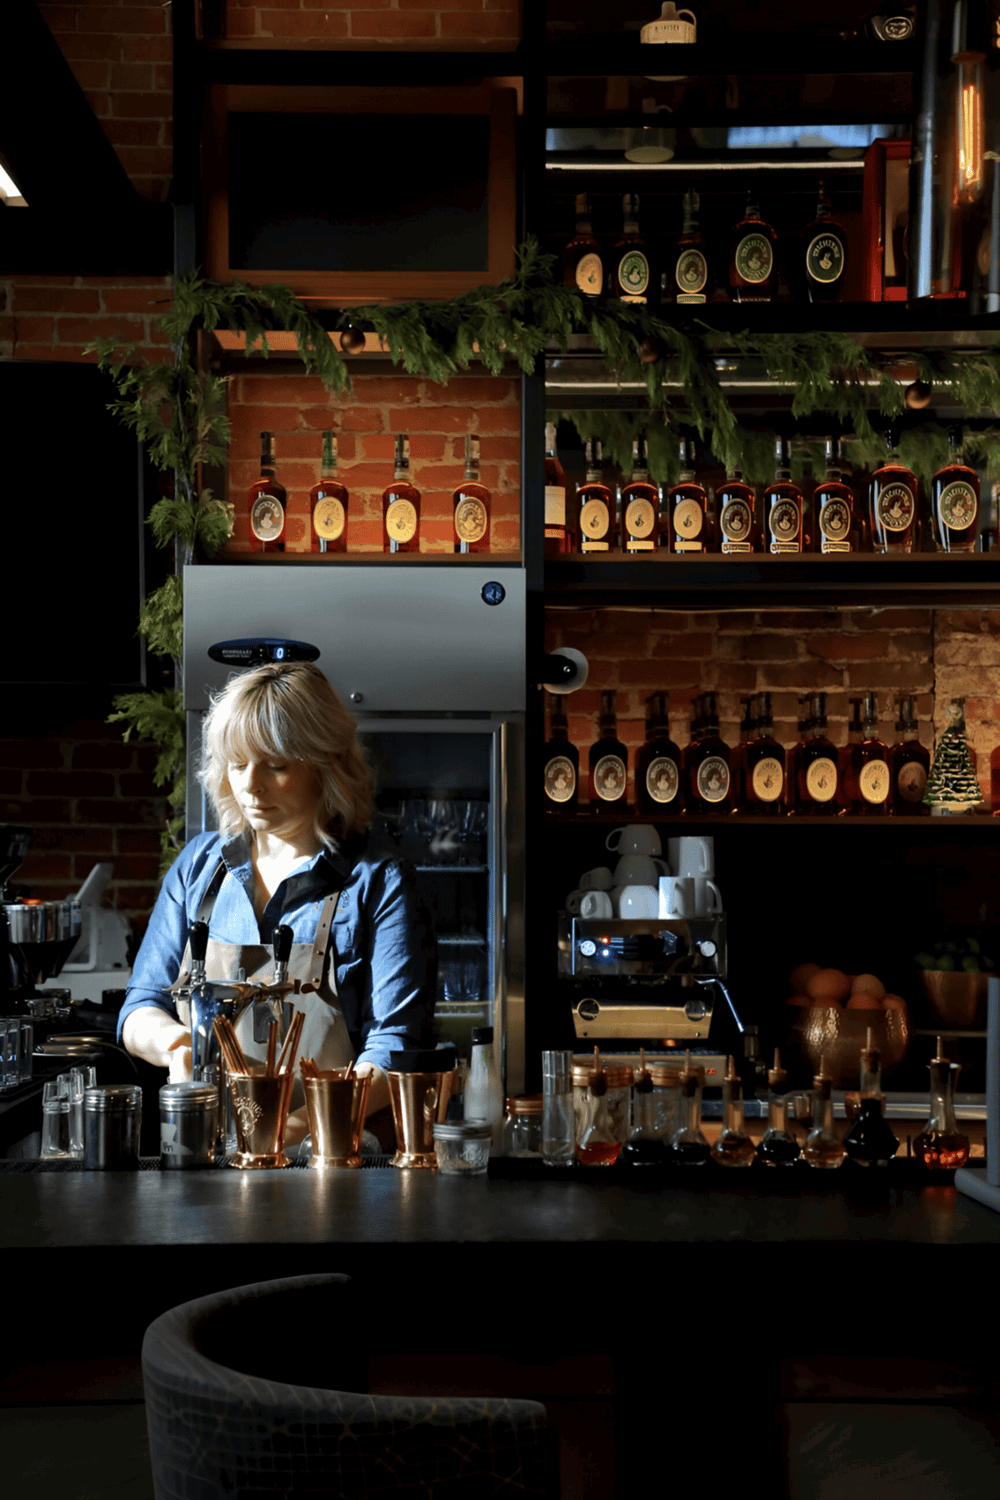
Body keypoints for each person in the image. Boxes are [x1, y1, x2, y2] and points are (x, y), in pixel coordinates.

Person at [119, 659, 437, 1146]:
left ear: (325, 764)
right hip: (200, 1150)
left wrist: (295, 1127)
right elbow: (141, 1006)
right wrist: (178, 1045)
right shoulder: (198, 869)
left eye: (275, 765)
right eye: (238, 762)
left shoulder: (378, 882)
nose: (250, 785)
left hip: (327, 1153)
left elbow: (396, 1047)